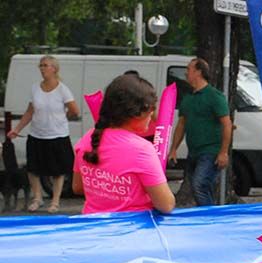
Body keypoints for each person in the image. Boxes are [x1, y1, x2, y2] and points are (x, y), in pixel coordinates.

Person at [71, 75, 175, 215]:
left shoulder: (87, 138)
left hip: (93, 227)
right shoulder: (141, 149)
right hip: (132, 228)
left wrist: (104, 186)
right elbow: (166, 204)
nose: (152, 115)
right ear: (136, 113)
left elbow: (78, 187)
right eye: (151, 110)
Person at [5, 55, 80, 213]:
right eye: (40, 65)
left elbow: (75, 110)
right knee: (33, 168)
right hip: (37, 134)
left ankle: (55, 201)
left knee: (58, 171)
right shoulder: (35, 88)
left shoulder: (62, 89)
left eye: (45, 65)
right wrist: (16, 129)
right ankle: (37, 198)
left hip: (57, 135)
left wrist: (62, 118)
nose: (42, 68)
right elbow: (30, 111)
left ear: (54, 69)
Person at [167, 58, 232, 206]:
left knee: (199, 184)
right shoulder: (188, 98)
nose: (186, 73)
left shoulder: (214, 96)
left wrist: (223, 152)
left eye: (189, 69)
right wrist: (173, 149)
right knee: (201, 186)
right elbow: (181, 124)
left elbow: (227, 124)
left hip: (210, 151)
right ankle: (210, 215)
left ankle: (209, 218)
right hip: (193, 151)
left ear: (198, 72)